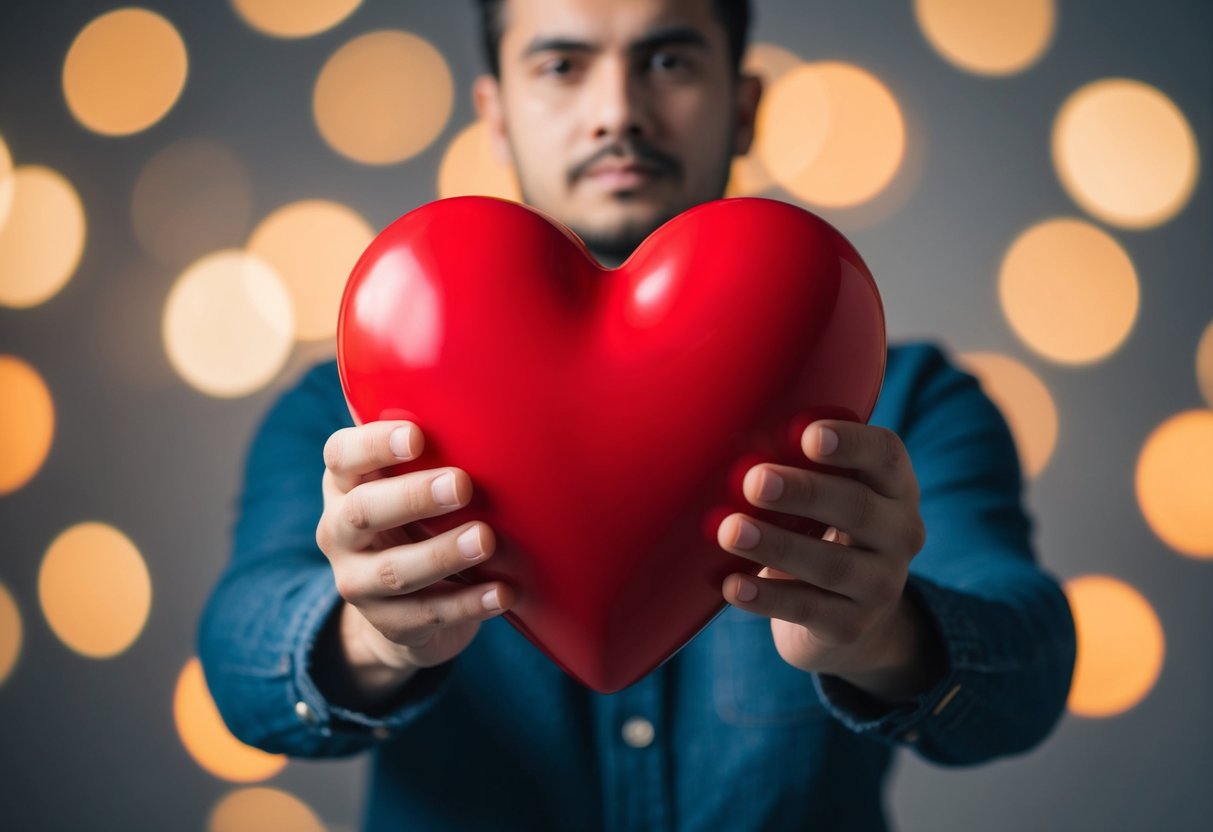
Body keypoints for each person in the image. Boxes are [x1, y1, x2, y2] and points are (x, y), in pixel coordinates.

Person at [197, 0, 1077, 829]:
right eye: (561, 64)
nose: (616, 111)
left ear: (743, 106)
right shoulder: (349, 408)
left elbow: (1027, 672)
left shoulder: (905, 403)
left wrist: (882, 633)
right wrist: (369, 635)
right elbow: (240, 671)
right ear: (495, 112)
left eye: (666, 59)